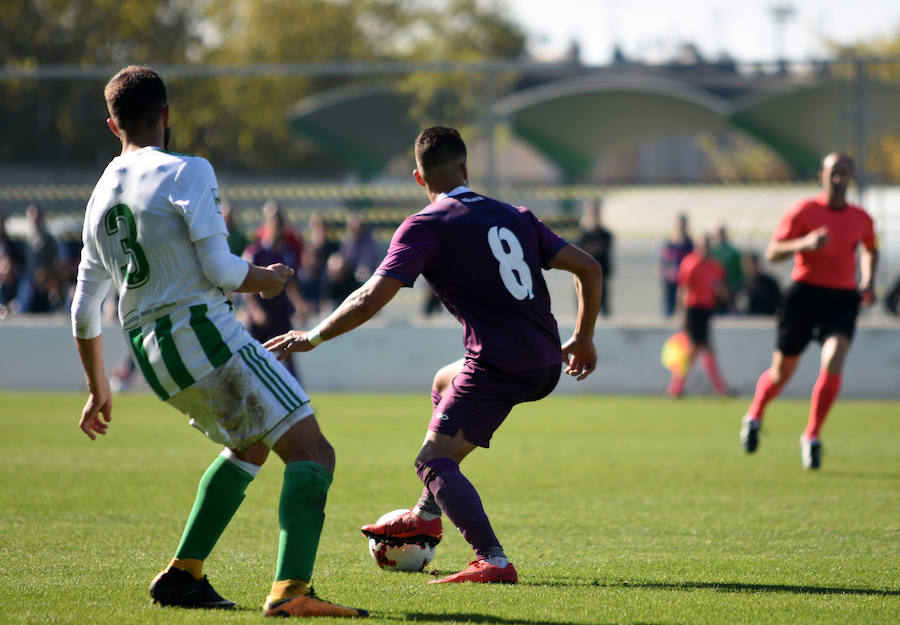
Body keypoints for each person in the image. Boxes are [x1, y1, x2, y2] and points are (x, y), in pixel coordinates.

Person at [70, 65, 366, 618]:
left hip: (152, 355)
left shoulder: (96, 201)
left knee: (252, 444)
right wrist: (268, 278)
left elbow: (83, 309)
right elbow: (222, 269)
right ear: (166, 114)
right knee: (313, 452)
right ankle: (292, 592)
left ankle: (184, 574)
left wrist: (97, 388)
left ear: (113, 126)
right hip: (201, 332)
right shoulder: (188, 169)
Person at [265, 126, 603, 585]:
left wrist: (315, 336)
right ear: (465, 168)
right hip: (544, 359)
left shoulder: (426, 225)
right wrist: (583, 338)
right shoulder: (516, 214)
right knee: (444, 381)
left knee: (430, 462)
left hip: (497, 364)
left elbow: (368, 298)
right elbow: (589, 266)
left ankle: (493, 560)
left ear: (418, 179)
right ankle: (427, 513)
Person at [739, 153, 877, 470]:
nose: (838, 180)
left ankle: (812, 436)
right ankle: (755, 415)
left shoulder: (861, 217)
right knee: (782, 372)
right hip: (803, 295)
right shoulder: (804, 210)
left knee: (834, 356)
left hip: (842, 297)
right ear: (822, 176)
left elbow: (870, 248)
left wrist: (867, 279)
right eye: (833, 174)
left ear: (851, 177)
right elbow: (773, 252)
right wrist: (804, 243)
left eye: (844, 174)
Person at [243, 203, 306, 380]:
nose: (278, 227)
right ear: (267, 224)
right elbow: (246, 286)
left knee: (288, 357)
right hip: (261, 314)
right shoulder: (255, 253)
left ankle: (298, 403)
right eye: (274, 222)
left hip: (281, 312)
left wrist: (300, 305)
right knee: (252, 360)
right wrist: (256, 312)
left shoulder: (289, 253)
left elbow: (291, 285)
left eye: (280, 222)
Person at [666, 234, 729, 398]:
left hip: (706, 310)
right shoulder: (690, 263)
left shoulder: (714, 266)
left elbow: (719, 286)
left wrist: (725, 298)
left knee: (693, 351)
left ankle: (676, 389)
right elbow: (683, 288)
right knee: (701, 348)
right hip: (692, 309)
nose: (705, 249)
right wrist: (680, 312)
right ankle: (720, 389)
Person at [576, 198, 614, 316]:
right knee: (582, 304)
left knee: (602, 301)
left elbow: (603, 249)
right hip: (583, 273)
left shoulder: (604, 234)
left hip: (600, 272)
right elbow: (580, 251)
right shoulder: (582, 233)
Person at [659, 213, 693, 317]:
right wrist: (663, 271)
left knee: (684, 304)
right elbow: (664, 260)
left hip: (685, 279)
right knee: (669, 304)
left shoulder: (689, 243)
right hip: (671, 277)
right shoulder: (669, 243)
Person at [710, 224, 743, 312]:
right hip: (714, 289)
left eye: (722, 233)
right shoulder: (710, 252)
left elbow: (739, 271)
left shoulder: (734, 253)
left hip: (730, 286)